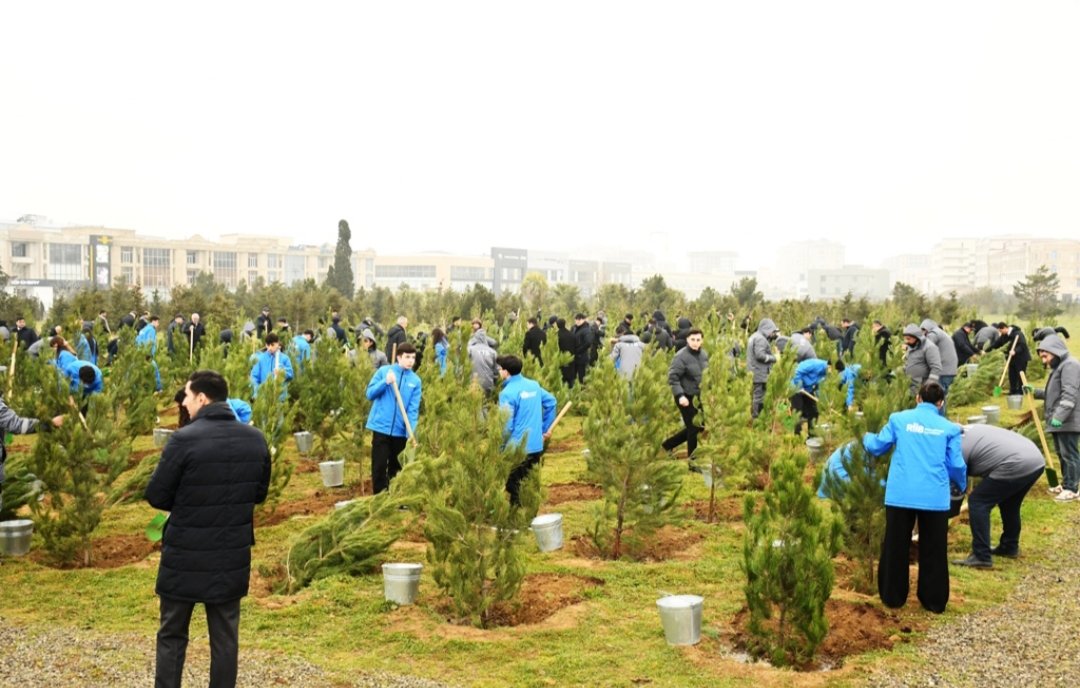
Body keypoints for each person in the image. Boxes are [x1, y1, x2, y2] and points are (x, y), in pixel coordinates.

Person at [146, 370, 271, 688]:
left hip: (184, 554)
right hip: (231, 553)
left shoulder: (183, 440)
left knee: (172, 633)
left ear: (202, 398)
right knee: (225, 637)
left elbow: (157, 495)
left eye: (187, 397)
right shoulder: (255, 439)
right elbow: (258, 494)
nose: (184, 403)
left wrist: (189, 499)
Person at [863, 382, 965, 613]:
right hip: (934, 496)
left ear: (918, 398)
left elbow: (877, 446)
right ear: (940, 403)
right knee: (934, 548)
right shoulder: (949, 429)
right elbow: (956, 464)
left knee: (896, 544)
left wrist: (865, 436)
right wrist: (961, 484)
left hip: (901, 493)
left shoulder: (898, 420)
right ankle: (933, 601)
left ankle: (892, 597)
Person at [951, 424, 1045, 567]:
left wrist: (951, 509)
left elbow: (957, 482)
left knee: (978, 501)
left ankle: (981, 556)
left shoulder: (955, 447)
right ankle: (1009, 546)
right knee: (1009, 504)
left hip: (1016, 462)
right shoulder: (967, 430)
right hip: (1035, 460)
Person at [497, 355, 557, 506]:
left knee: (514, 487)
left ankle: (517, 516)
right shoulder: (534, 386)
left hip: (517, 448)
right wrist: (543, 430)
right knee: (530, 483)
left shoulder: (507, 393)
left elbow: (506, 426)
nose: (498, 371)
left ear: (506, 372)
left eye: (500, 369)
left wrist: (501, 448)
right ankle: (530, 513)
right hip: (536, 445)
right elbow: (551, 402)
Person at [365, 343, 421, 494]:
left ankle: (395, 498)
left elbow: (413, 410)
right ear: (399, 357)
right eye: (407, 357)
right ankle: (379, 499)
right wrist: (385, 382)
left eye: (413, 357)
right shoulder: (384, 372)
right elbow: (370, 394)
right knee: (379, 466)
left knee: (396, 468)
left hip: (400, 431)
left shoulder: (415, 381)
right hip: (381, 428)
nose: (411, 361)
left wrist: (410, 433)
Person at [1031, 334, 1080, 501]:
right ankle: (1068, 484)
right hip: (1060, 419)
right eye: (1041, 356)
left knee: (1069, 455)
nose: (1044, 360)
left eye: (1045, 355)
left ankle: (1072, 489)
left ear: (1055, 350)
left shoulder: (1070, 365)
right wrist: (1035, 392)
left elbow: (1069, 394)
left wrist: (1059, 416)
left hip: (1068, 419)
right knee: (1062, 454)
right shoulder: (1060, 366)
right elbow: (1054, 394)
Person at [662, 329, 708, 461]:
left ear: (702, 341)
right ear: (687, 340)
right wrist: (680, 395)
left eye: (698, 340)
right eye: (692, 339)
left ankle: (668, 445)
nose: (695, 342)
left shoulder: (704, 355)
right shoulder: (681, 356)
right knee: (693, 428)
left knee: (699, 426)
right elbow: (673, 378)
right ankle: (693, 462)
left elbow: (706, 375)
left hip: (697, 396)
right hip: (684, 396)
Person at [746, 318, 780, 418]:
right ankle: (757, 418)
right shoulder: (760, 339)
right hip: (759, 373)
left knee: (756, 396)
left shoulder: (754, 336)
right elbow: (760, 355)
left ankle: (756, 416)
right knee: (759, 397)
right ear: (767, 328)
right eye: (772, 330)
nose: (772, 333)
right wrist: (774, 358)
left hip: (755, 371)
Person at [790, 357, 829, 436]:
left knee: (814, 411)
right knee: (798, 412)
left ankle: (812, 435)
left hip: (807, 389)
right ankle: (797, 436)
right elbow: (797, 371)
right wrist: (799, 385)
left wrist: (820, 398)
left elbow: (819, 386)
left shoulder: (826, 373)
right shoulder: (815, 364)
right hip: (796, 387)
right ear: (830, 366)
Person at [990, 322, 1031, 396]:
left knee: (1020, 374)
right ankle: (1013, 390)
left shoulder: (1018, 333)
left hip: (1021, 358)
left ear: (1005, 328)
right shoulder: (1004, 336)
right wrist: (987, 350)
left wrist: (1015, 351)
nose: (1000, 333)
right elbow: (996, 344)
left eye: (1000, 331)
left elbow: (1022, 345)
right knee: (1012, 375)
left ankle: (1020, 391)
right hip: (1011, 358)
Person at [921, 319, 958, 399]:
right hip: (949, 369)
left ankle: (939, 408)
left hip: (943, 370)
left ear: (927, 328)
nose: (922, 333)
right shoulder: (941, 333)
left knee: (937, 397)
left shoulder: (933, 333)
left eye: (923, 330)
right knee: (942, 396)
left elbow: (926, 348)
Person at [250, 332, 294, 399]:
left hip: (280, 397)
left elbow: (290, 375)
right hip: (264, 397)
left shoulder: (285, 358)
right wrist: (257, 392)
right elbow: (254, 377)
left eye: (272, 345)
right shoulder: (260, 358)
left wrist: (282, 373)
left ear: (277, 344)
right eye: (268, 345)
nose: (270, 348)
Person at [901, 324, 941, 397]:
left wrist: (928, 387)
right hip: (910, 385)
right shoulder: (911, 346)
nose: (906, 341)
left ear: (917, 337)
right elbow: (909, 362)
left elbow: (936, 368)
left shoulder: (929, 347)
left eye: (908, 339)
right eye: (905, 339)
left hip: (922, 386)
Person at [468, 322, 499, 395]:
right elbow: (496, 371)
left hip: (473, 384)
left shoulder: (470, 349)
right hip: (488, 384)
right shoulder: (493, 352)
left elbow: (463, 367)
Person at [136, 315, 163, 392]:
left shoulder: (143, 329)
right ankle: (159, 388)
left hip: (139, 352)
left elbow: (137, 340)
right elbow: (150, 342)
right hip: (146, 354)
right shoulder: (151, 330)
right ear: (153, 321)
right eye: (157, 322)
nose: (158, 324)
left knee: (136, 370)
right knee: (155, 369)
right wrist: (149, 354)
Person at [571, 313, 594, 385]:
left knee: (582, 377)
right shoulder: (574, 328)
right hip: (574, 356)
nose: (577, 321)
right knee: (573, 376)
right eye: (576, 319)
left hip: (582, 357)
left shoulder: (586, 329)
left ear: (583, 320)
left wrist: (578, 350)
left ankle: (583, 389)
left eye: (579, 319)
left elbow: (588, 342)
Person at [556, 318, 576, 387]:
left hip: (560, 360)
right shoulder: (572, 335)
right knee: (571, 379)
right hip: (571, 359)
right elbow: (575, 346)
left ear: (557, 325)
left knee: (561, 379)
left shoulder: (556, 335)